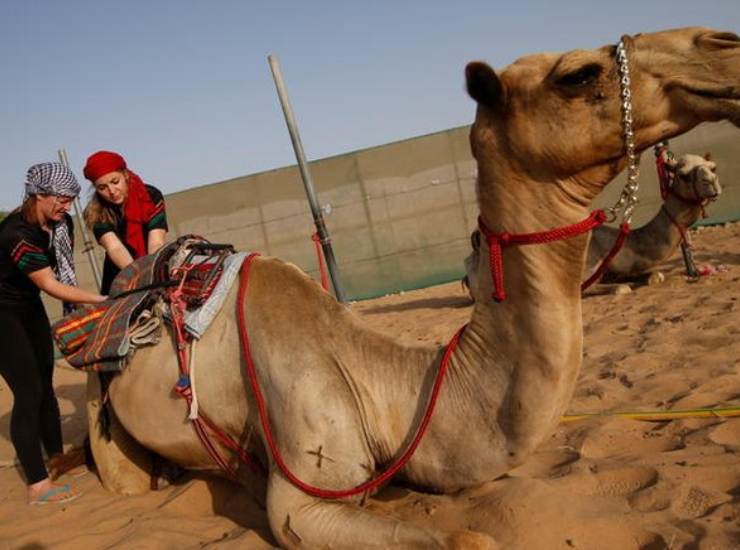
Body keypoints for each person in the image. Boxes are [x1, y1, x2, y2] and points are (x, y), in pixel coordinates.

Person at [0, 162, 107, 505]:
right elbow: (50, 284)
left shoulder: (61, 224)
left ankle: (56, 459)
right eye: (61, 199)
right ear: (38, 195)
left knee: (45, 384)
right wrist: (102, 300)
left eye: (70, 199)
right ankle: (37, 485)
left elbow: (61, 272)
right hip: (2, 313)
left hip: (27, 305)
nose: (67, 205)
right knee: (28, 392)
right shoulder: (16, 233)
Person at [82, 151, 168, 294]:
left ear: (125, 174)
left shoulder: (150, 196)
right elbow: (115, 248)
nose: (111, 191)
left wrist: (152, 274)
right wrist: (139, 278)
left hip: (154, 266)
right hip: (120, 276)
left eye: (115, 182)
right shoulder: (95, 212)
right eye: (102, 188)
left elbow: (156, 242)